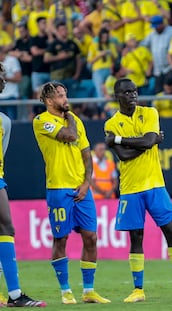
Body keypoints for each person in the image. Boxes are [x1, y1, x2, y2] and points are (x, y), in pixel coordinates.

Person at [104, 78, 172, 302]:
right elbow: (125, 155)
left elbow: (147, 141)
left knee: (171, 231)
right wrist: (148, 142)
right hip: (130, 186)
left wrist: (119, 140)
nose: (132, 95)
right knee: (136, 236)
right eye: (127, 92)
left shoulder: (150, 112)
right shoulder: (111, 123)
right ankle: (138, 290)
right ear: (117, 96)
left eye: (134, 91)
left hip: (155, 183)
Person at [32, 81, 110, 304]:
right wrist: (70, 120)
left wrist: (87, 183)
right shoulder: (41, 121)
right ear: (48, 101)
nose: (65, 99)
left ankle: (88, 291)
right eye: (59, 96)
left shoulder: (74, 119)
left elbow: (86, 153)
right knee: (60, 238)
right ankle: (66, 291)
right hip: (58, 188)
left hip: (81, 189)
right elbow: (68, 136)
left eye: (65, 94)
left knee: (91, 237)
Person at [0, 64, 46, 308]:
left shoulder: (4, 121)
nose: (4, 80)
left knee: (6, 227)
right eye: (0, 76)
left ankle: (15, 294)